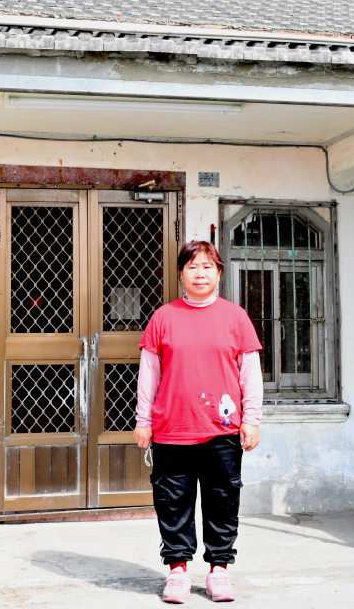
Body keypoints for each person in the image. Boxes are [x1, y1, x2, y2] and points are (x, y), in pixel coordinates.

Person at [134, 240, 263, 603]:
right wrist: (144, 420)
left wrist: (251, 419)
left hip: (221, 430)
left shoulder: (235, 317)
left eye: (208, 266)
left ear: (219, 273)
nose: (200, 273)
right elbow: (149, 373)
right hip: (172, 429)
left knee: (222, 499)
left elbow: (250, 373)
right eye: (193, 266)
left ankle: (219, 570)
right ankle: (177, 571)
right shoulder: (163, 317)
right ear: (181, 274)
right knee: (172, 501)